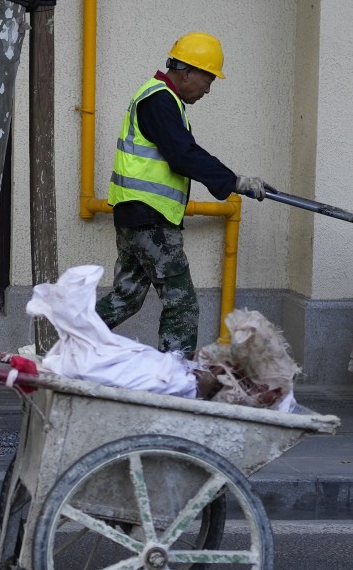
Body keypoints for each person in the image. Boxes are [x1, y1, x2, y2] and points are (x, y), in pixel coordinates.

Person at [97, 32, 267, 357]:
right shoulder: (159, 99)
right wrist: (233, 181)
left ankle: (64, 343)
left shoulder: (159, 98)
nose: (208, 89)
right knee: (183, 305)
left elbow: (179, 153)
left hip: (135, 216)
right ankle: (175, 382)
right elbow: (183, 155)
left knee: (125, 299)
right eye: (207, 79)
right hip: (150, 219)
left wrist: (230, 180)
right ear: (186, 71)